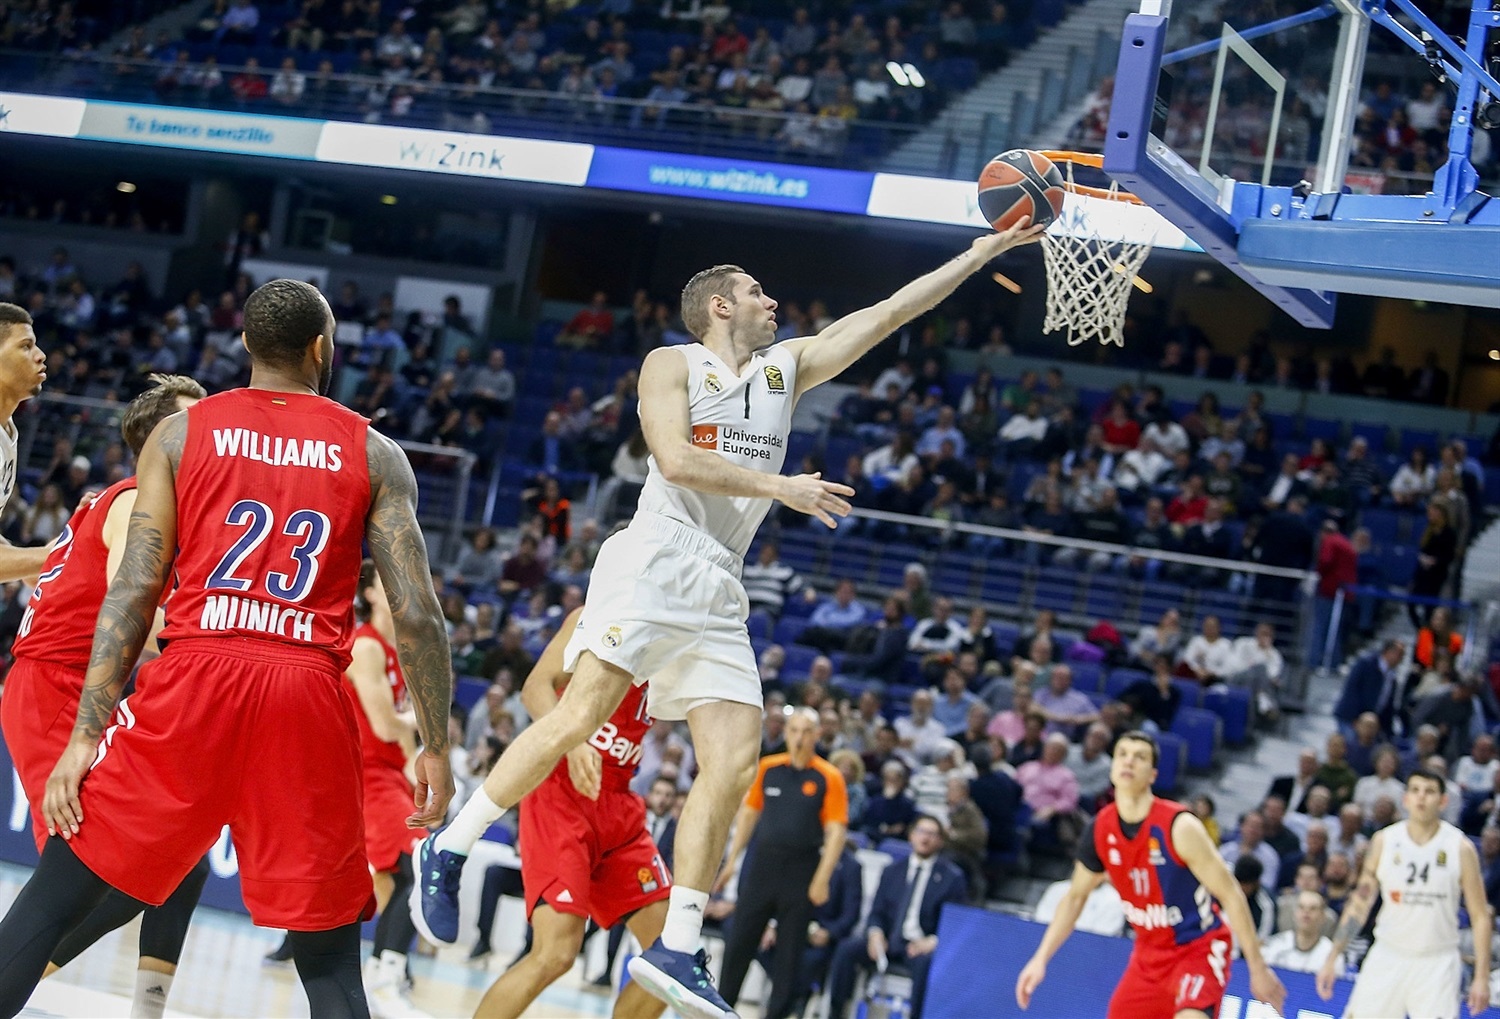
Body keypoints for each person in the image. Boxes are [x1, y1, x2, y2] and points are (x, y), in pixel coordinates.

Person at [414, 221, 1047, 1017]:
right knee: (579, 714)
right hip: (657, 551)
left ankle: (678, 942)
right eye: (755, 291)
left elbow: (885, 314)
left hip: (719, 579)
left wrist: (981, 252)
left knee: (737, 756)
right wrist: (780, 486)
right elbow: (675, 460)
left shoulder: (786, 368)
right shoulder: (670, 363)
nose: (771, 300)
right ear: (720, 304)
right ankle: (454, 840)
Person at [0, 279, 456, 1019]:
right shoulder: (375, 452)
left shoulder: (180, 436)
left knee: (50, 902)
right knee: (333, 962)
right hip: (306, 687)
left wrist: (87, 735)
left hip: (194, 675)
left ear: (243, 345)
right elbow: (419, 616)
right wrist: (433, 743)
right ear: (320, 348)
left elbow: (132, 592)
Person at [0, 375, 207, 1019]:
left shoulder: (144, 504)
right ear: (156, 440)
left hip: (71, 686)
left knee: (183, 854)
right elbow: (135, 616)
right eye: (193, 422)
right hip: (59, 687)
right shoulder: (134, 504)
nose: (212, 434)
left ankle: (145, 1009)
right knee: (88, 870)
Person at [471, 606, 669, 1019]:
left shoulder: (681, 633)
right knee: (556, 953)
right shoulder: (595, 612)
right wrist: (572, 738)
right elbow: (535, 688)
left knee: (673, 959)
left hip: (619, 800)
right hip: (562, 788)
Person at [1015, 730, 1286, 1018]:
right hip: (1147, 956)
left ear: (1153, 774)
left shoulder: (1179, 826)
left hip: (1197, 948)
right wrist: (1040, 959)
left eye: (1139, 757)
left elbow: (1231, 893)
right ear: (1113, 767)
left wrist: (1257, 967)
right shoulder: (1100, 829)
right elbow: (1075, 898)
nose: (1129, 762)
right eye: (1122, 755)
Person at [1316, 769, 1491, 1018]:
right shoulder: (1384, 841)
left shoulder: (1460, 848)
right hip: (1388, 953)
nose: (1421, 798)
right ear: (1406, 798)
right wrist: (1333, 956)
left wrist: (1481, 977)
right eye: (1415, 790)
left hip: (1437, 960)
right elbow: (1360, 902)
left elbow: (1480, 916)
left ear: (1443, 801)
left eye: (1429, 791)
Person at [715, 707, 848, 1019]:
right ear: (786, 732)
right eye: (794, 730)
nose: (799, 737)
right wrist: (732, 861)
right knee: (739, 943)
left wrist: (822, 877)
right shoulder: (768, 767)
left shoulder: (829, 777)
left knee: (789, 955)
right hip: (763, 866)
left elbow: (837, 831)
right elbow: (749, 814)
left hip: (801, 871)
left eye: (806, 731)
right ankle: (719, 1010)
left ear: (817, 735)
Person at [342, 561, 430, 1015]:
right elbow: (383, 723)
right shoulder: (368, 647)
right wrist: (424, 719)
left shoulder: (401, 650)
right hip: (366, 776)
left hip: (392, 776)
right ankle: (386, 977)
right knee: (411, 872)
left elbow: (402, 737)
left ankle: (381, 970)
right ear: (371, 594)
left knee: (384, 886)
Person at [825, 815, 967, 1019]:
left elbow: (956, 924)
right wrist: (875, 933)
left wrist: (932, 941)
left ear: (940, 841)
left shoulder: (952, 878)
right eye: (921, 832)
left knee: (927, 965)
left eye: (932, 834)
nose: (925, 838)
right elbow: (876, 912)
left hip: (919, 947)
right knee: (846, 949)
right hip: (888, 940)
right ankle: (835, 1013)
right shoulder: (892, 871)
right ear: (911, 835)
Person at [0, 304, 55, 579]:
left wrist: (31, 570)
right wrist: (53, 556)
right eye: (26, 346)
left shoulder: (7, 430)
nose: (40, 355)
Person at [1262, 890, 1344, 974]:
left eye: (1313, 908)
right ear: (1294, 913)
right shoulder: (1275, 945)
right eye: (1301, 907)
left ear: (1323, 916)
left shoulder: (1332, 955)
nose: (1306, 912)